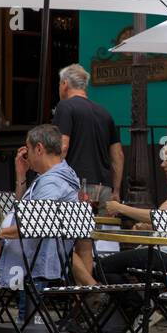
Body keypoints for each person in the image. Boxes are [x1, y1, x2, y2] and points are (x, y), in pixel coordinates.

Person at [0, 124, 81, 325]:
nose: (27, 155)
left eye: (28, 149)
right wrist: (21, 176)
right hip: (23, 247)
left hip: (30, 255)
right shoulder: (52, 177)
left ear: (39, 149)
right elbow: (23, 212)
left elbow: (32, 224)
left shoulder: (52, 183)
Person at [101, 137, 167, 291]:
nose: (162, 164)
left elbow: (160, 216)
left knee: (102, 265)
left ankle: (134, 305)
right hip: (166, 253)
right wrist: (146, 225)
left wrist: (120, 208)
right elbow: (166, 221)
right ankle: (144, 305)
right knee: (112, 265)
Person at [52, 63, 123, 285]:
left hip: (76, 188)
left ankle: (86, 297)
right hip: (103, 188)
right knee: (90, 243)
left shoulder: (65, 108)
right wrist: (116, 191)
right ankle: (86, 301)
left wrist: (51, 177)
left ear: (65, 84)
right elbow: (118, 155)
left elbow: (62, 147)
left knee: (65, 241)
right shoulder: (105, 112)